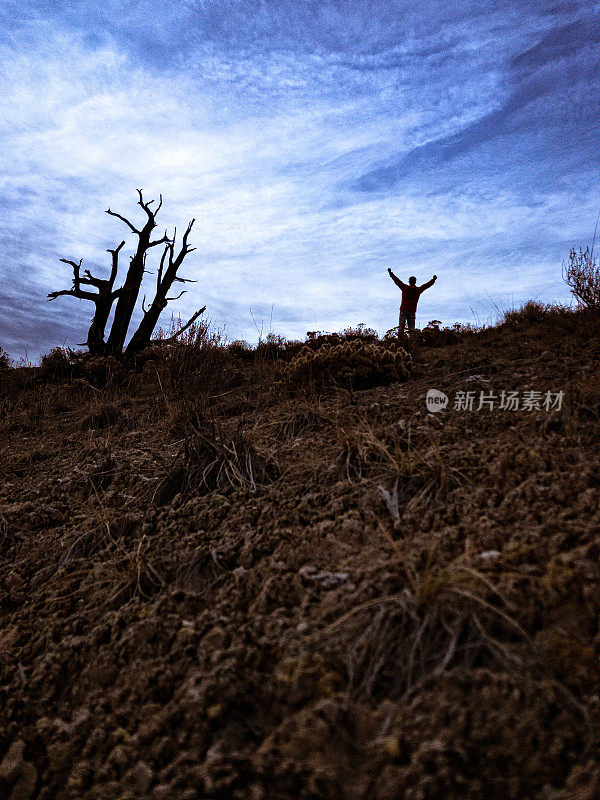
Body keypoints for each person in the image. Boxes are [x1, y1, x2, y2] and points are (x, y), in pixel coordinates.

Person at [387, 269, 437, 335]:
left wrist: (390, 273)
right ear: (415, 282)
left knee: (401, 327)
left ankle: (400, 340)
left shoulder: (405, 288)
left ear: (409, 281)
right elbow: (426, 285)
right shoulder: (418, 290)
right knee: (411, 328)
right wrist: (433, 280)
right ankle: (412, 341)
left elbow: (397, 281)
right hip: (412, 311)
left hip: (403, 309)